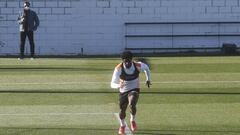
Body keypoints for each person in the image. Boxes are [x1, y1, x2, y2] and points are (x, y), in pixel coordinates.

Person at [111, 51, 151, 134]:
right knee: (122, 110)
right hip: (123, 90)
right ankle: (122, 125)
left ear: (132, 60)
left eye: (129, 61)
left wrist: (148, 79)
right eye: (125, 61)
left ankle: (132, 120)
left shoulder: (138, 65)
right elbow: (112, 84)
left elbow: (147, 68)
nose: (127, 63)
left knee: (132, 103)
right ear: (122, 60)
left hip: (134, 88)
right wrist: (118, 85)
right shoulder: (118, 68)